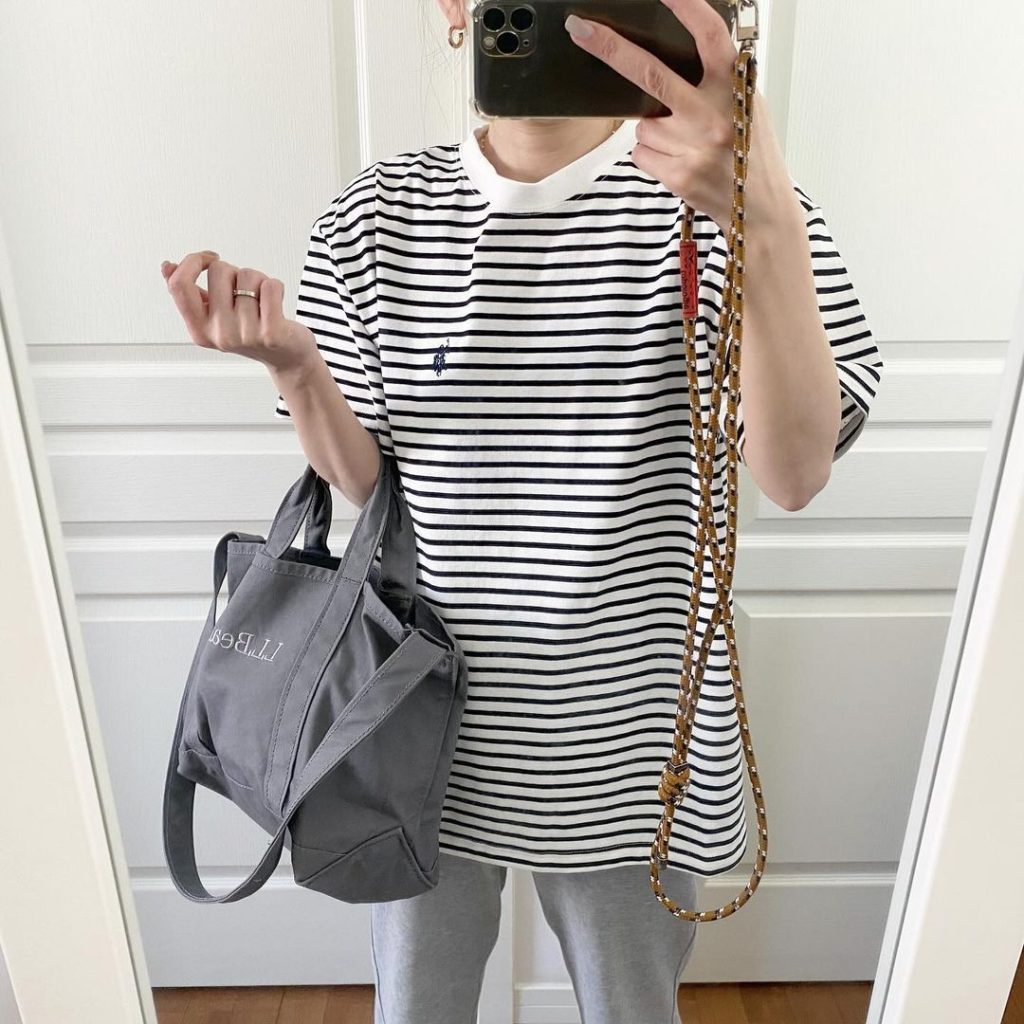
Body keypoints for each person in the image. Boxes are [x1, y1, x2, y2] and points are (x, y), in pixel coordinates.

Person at [161, 1, 884, 1020]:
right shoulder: (375, 217)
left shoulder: (723, 200)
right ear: (455, 9)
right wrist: (295, 365)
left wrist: (761, 218)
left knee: (631, 1007)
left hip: (632, 745)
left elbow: (795, 472)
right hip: (411, 730)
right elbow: (370, 491)